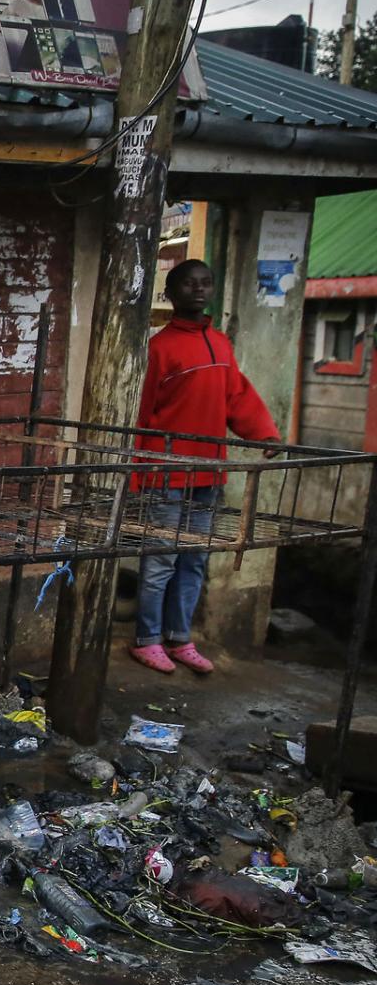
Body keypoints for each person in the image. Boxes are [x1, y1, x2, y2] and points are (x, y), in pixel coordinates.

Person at [130, 259, 280, 676]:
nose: (198, 290)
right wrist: (140, 469)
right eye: (189, 284)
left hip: (208, 474)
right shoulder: (160, 347)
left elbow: (238, 397)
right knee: (160, 559)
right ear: (171, 293)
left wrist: (264, 434)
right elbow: (143, 414)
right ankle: (147, 639)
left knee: (194, 559)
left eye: (205, 283)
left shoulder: (220, 344)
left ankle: (180, 638)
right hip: (167, 473)